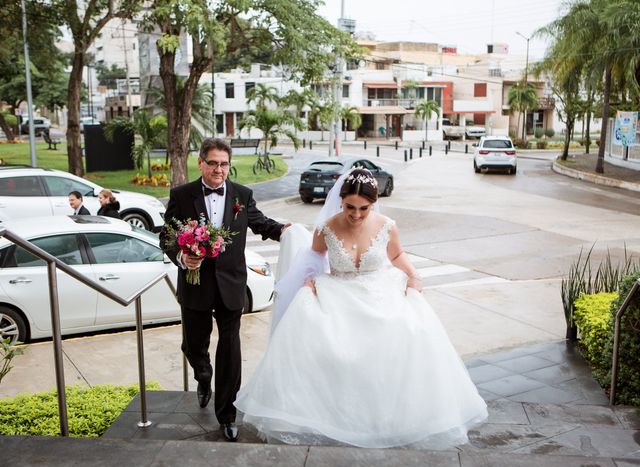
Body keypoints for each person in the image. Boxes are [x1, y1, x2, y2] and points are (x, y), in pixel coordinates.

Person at [234, 168, 488, 449]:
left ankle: (390, 417)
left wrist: (414, 275)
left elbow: (397, 254)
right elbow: (315, 255)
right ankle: (332, 416)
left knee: (405, 334)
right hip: (338, 291)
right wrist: (309, 280)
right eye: (349, 208)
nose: (355, 215)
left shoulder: (387, 226)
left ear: (374, 203)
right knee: (319, 338)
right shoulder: (326, 228)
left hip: (380, 290)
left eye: (363, 209)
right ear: (340, 202)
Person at [160, 137, 287, 442]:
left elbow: (259, 223)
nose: (219, 170)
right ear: (200, 163)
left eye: (224, 164)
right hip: (195, 285)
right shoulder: (182, 194)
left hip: (231, 285)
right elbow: (167, 234)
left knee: (230, 350)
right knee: (193, 346)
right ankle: (203, 376)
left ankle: (227, 414)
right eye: (213, 163)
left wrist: (285, 231)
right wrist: (182, 255)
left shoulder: (242, 195)